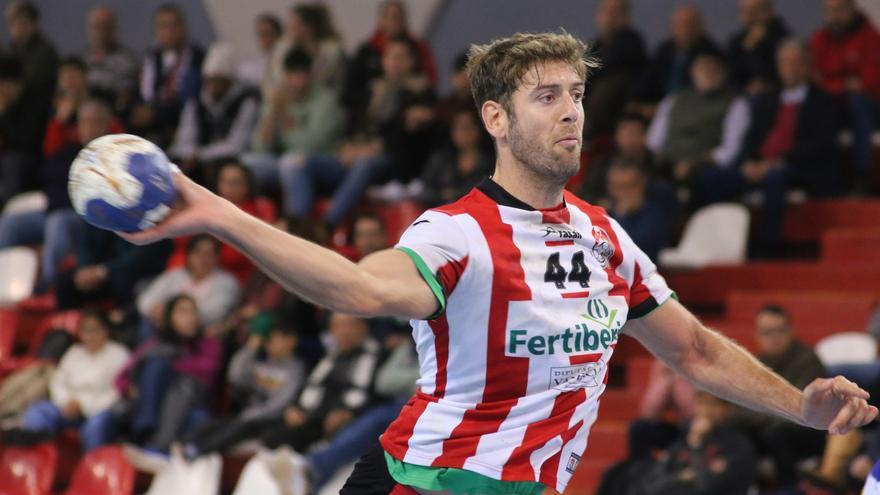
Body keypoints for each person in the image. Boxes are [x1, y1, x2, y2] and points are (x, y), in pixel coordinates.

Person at [121, 31, 877, 495]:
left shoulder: (607, 237)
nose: (572, 111)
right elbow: (355, 286)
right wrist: (218, 213)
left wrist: (800, 407)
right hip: (423, 482)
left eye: (576, 93)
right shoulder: (456, 233)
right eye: (546, 96)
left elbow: (697, 349)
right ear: (496, 119)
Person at [698, 39, 841, 244]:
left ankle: (769, 245)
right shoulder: (767, 100)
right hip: (760, 165)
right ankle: (714, 242)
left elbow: (821, 145)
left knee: (775, 178)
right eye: (784, 62)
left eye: (795, 62)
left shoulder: (823, 101)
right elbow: (751, 137)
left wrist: (778, 161)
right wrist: (747, 162)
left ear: (807, 66)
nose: (789, 68)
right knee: (710, 178)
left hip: (798, 168)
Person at [285, 36, 436, 226]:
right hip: (356, 153)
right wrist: (347, 146)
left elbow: (403, 137)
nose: (394, 63)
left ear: (411, 61)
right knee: (300, 164)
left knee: (365, 164)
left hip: (390, 163)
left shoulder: (421, 93)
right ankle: (296, 227)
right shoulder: (373, 90)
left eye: (400, 57)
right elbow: (353, 123)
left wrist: (372, 149)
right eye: (390, 57)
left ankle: (326, 226)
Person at [0, 100, 115, 288]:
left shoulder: (112, 155)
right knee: (9, 223)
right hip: (52, 210)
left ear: (106, 125)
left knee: (57, 223)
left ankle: (50, 286)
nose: (89, 127)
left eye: (95, 121)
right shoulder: (67, 151)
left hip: (83, 216)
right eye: (85, 121)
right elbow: (48, 176)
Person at [729, 305, 828, 489]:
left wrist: (761, 410)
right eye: (767, 332)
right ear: (757, 335)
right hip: (769, 426)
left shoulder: (807, 360)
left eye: (779, 330)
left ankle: (788, 489)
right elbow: (738, 409)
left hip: (808, 431)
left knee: (778, 432)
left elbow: (800, 407)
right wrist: (765, 412)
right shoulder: (755, 363)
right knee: (733, 428)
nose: (774, 337)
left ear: (791, 330)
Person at [179, 321, 305, 459]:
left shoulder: (295, 369)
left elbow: (281, 403)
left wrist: (252, 414)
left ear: (291, 341)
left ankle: (198, 451)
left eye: (276, 338)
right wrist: (249, 349)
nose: (270, 343)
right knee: (213, 425)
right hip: (246, 414)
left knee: (238, 428)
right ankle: (184, 445)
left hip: (269, 420)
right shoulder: (262, 361)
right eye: (269, 338)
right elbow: (235, 377)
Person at [258, 313, 380, 453]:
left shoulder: (378, 356)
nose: (343, 331)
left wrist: (350, 413)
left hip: (347, 423)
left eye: (349, 325)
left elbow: (380, 396)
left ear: (363, 327)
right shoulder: (329, 357)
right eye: (337, 326)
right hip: (309, 419)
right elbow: (309, 385)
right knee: (270, 436)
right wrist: (293, 407)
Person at [116, 295, 222, 453]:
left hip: (190, 401)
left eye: (193, 313)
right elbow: (122, 376)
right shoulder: (155, 343)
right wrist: (129, 388)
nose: (189, 318)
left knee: (190, 404)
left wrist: (173, 364)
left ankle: (156, 444)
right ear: (170, 317)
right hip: (152, 402)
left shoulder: (209, 343)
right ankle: (146, 427)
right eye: (182, 313)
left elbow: (207, 371)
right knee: (157, 363)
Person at [19, 311, 129, 452]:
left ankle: (90, 469)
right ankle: (36, 461)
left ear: (106, 330)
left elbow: (117, 391)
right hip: (68, 407)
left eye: (95, 330)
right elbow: (58, 382)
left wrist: (83, 406)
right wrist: (66, 402)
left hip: (99, 410)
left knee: (96, 425)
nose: (90, 336)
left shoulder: (119, 354)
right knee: (38, 411)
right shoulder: (74, 352)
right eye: (85, 331)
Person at [245, 48, 345, 192]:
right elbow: (259, 146)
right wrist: (273, 114)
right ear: (285, 76)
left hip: (322, 162)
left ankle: (296, 215)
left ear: (311, 76)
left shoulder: (325, 101)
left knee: (290, 162)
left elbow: (309, 145)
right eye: (292, 76)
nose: (297, 83)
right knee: (247, 163)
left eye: (301, 75)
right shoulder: (277, 100)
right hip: (281, 160)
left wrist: (284, 115)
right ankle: (247, 212)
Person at [647, 53, 750, 189]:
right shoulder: (674, 98)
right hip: (667, 162)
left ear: (723, 73)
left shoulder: (736, 103)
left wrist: (694, 163)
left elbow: (729, 150)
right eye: (702, 68)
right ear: (692, 72)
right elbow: (654, 140)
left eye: (713, 69)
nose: (708, 73)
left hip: (702, 165)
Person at [168, 43, 259, 182]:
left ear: (230, 80)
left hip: (227, 159)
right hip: (196, 160)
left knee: (222, 167)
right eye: (210, 80)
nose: (213, 85)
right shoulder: (196, 102)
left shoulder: (246, 102)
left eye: (219, 80)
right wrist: (190, 154)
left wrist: (201, 155)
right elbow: (184, 138)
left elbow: (237, 144)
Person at [810, 0, 880, 181]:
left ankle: (862, 173)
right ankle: (821, 174)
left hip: (869, 104)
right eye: (830, 11)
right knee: (816, 104)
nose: (835, 16)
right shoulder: (820, 39)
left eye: (840, 10)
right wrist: (842, 84)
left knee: (858, 103)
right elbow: (814, 78)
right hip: (834, 102)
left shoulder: (870, 37)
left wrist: (832, 83)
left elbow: (868, 82)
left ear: (852, 10)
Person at [639, 392, 757, 495]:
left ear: (727, 408)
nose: (706, 410)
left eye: (713, 404)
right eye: (701, 403)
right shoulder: (684, 440)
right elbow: (652, 486)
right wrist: (682, 476)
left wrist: (697, 446)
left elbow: (705, 487)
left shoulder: (738, 445)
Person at [342, 0, 437, 117]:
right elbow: (350, 90)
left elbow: (431, 80)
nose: (393, 21)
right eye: (388, 16)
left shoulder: (419, 48)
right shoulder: (367, 51)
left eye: (397, 17)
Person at [137, 235, 240, 338]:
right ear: (189, 255)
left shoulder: (227, 282)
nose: (203, 258)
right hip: (163, 328)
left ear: (217, 257)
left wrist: (171, 313)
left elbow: (213, 315)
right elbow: (145, 300)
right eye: (198, 252)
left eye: (209, 253)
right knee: (147, 319)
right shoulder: (175, 275)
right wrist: (155, 309)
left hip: (201, 335)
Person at [137, 3, 205, 143]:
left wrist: (157, 113)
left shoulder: (198, 58)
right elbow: (144, 92)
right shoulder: (151, 57)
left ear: (184, 28)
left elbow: (192, 96)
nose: (168, 31)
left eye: (173, 25)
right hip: (151, 121)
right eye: (163, 26)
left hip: (183, 120)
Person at [633, 5, 722, 111]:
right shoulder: (664, 50)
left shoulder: (710, 53)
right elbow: (648, 80)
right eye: (680, 25)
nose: (685, 30)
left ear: (700, 27)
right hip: (657, 106)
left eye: (690, 25)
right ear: (672, 27)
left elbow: (699, 92)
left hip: (688, 111)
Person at [586, 0, 647, 136]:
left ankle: (588, 127)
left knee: (610, 84)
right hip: (597, 95)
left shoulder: (633, 41)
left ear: (626, 17)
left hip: (622, 100)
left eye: (615, 12)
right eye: (605, 11)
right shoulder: (595, 45)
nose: (610, 17)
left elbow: (611, 65)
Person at [42, 57, 124, 158]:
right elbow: (50, 150)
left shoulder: (103, 98)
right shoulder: (54, 106)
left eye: (74, 76)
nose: (70, 82)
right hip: (69, 157)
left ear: (86, 76)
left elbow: (119, 136)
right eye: (65, 78)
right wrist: (59, 121)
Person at [417, 108, 493, 208]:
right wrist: (442, 196)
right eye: (458, 128)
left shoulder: (491, 162)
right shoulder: (440, 159)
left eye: (467, 127)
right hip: (441, 214)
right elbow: (425, 190)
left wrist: (455, 194)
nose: (463, 133)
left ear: (479, 129)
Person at [0, 54, 49, 206]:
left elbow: (26, 141)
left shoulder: (35, 103)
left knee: (12, 162)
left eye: (8, 85)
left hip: (29, 160)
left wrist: (4, 114)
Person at [268, 3, 346, 96]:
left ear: (308, 28)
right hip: (288, 97)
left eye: (293, 25)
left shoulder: (330, 50)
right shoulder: (283, 46)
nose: (288, 29)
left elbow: (315, 81)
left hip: (322, 99)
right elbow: (278, 79)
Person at [605, 160, 673, 262]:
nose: (621, 193)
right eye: (616, 187)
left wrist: (622, 216)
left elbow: (634, 250)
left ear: (641, 184)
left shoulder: (654, 217)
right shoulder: (605, 213)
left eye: (627, 186)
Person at [83, 6, 139, 116]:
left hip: (113, 115)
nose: (101, 31)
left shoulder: (128, 61)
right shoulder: (82, 60)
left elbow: (124, 96)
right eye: (96, 26)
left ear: (115, 28)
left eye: (105, 26)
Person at [727, 0, 790, 94]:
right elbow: (732, 76)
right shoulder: (736, 41)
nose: (751, 17)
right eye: (746, 11)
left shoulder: (783, 39)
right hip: (745, 96)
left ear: (769, 11)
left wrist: (755, 49)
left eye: (755, 11)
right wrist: (746, 88)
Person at [4, 1, 58, 101]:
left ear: (35, 24)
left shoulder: (45, 52)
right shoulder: (10, 51)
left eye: (23, 23)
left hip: (36, 104)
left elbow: (28, 82)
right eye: (13, 23)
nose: (19, 28)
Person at [237, 13, 282, 90]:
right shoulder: (250, 66)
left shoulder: (288, 57)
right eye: (260, 34)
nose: (263, 38)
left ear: (278, 34)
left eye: (267, 33)